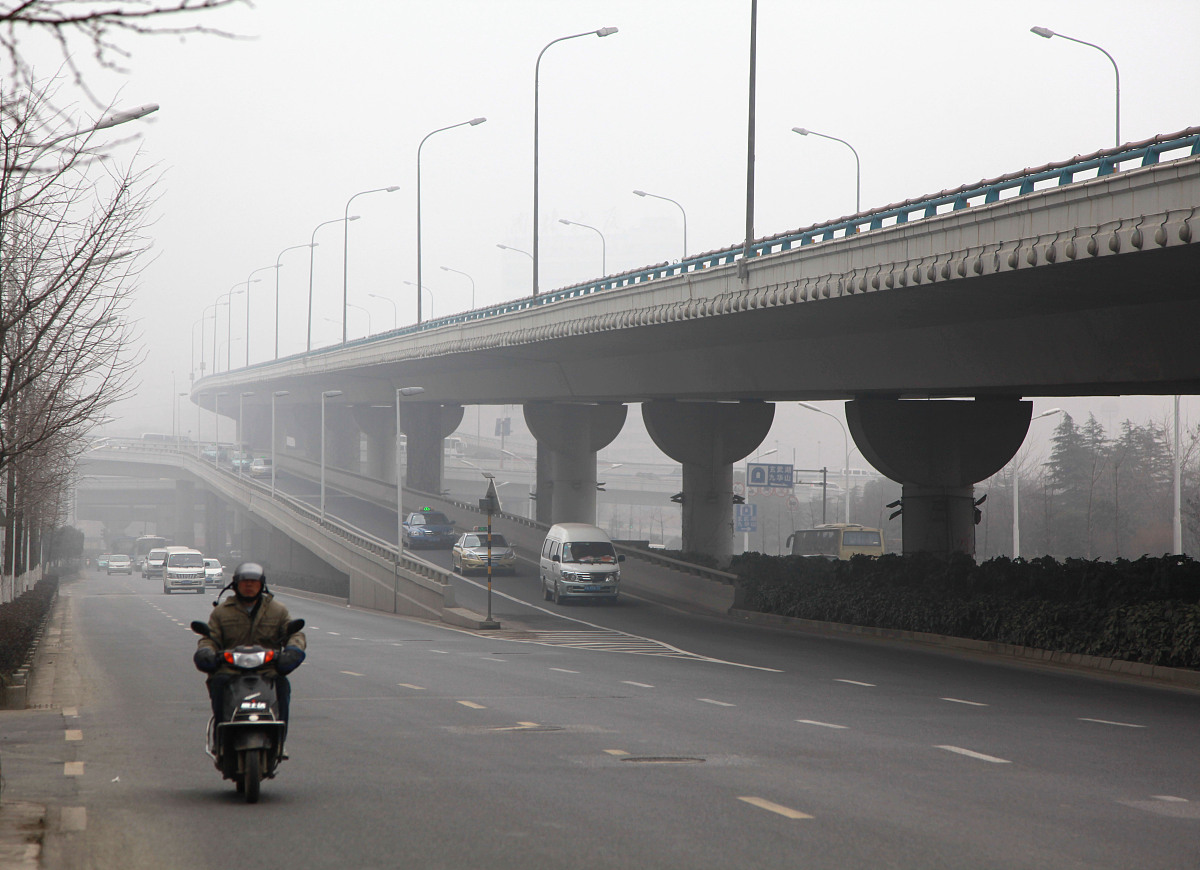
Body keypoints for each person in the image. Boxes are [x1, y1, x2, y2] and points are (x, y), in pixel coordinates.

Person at [192, 562, 306, 752]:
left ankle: (278, 741)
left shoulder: (277, 611)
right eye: (244, 581)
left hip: (267, 669)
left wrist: (293, 651)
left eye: (253, 581)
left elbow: (293, 634)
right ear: (236, 584)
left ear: (261, 584)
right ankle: (221, 740)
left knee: (282, 687)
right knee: (218, 683)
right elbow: (209, 639)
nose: (249, 585)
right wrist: (206, 653)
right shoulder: (221, 612)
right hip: (230, 669)